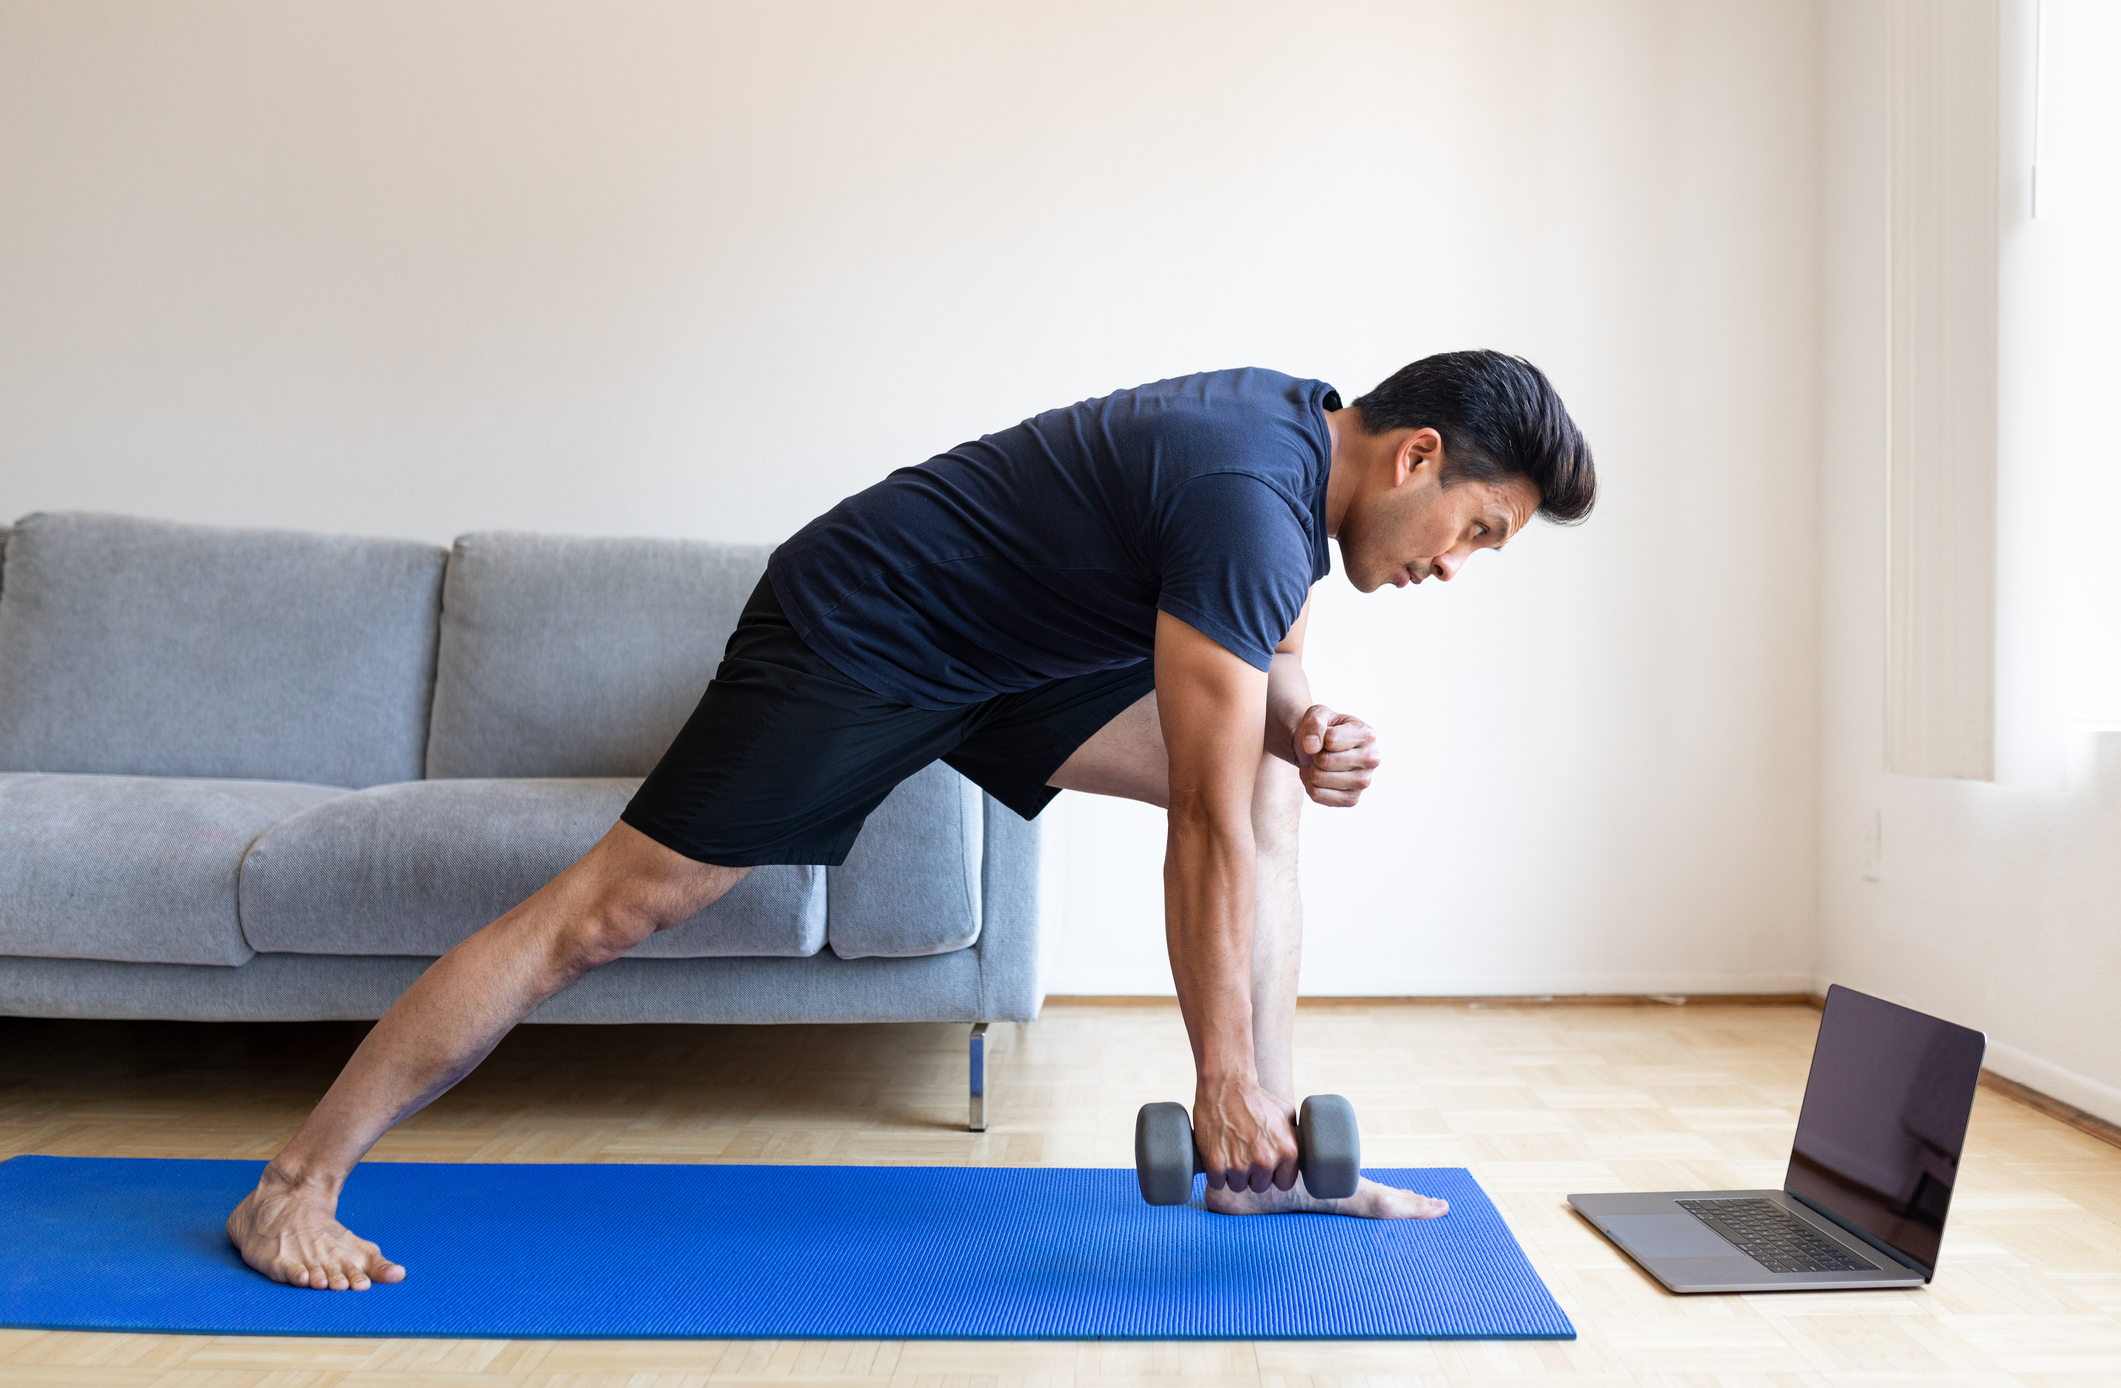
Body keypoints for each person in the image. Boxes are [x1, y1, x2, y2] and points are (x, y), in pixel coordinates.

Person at [226, 349, 1596, 1290]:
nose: (1453, 566)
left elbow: (1266, 672)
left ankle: (1274, 1158)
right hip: (864, 631)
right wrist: (1211, 1071)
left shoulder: (1301, 452)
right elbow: (1205, 843)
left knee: (1258, 773)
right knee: (615, 907)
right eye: (1474, 528)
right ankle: (292, 1182)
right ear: (1416, 455)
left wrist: (1302, 726)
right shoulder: (1250, 490)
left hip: (998, 656)